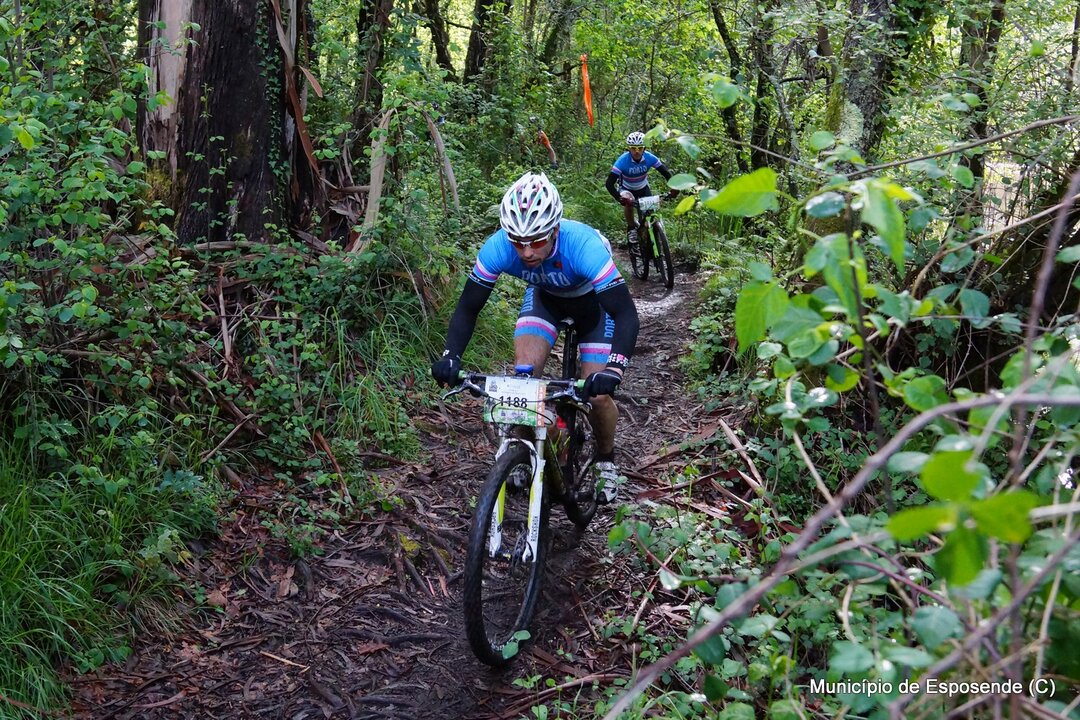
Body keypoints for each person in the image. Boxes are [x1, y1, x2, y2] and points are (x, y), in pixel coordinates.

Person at [431, 172, 639, 504]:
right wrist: (451, 355)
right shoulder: (498, 247)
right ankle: (529, 445)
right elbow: (468, 307)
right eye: (518, 241)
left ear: (555, 229)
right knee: (523, 382)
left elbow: (626, 313)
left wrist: (614, 369)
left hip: (594, 309)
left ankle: (605, 459)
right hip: (546, 301)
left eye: (537, 240)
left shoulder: (583, 246)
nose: (527, 252)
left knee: (598, 396)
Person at [605, 131, 679, 244]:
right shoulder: (622, 161)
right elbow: (609, 183)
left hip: (643, 188)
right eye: (633, 148)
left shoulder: (650, 158)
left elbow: (665, 173)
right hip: (627, 189)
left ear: (644, 148)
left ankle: (650, 235)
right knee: (628, 200)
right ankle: (631, 228)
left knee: (650, 214)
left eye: (640, 148)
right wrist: (619, 198)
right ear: (628, 148)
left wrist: (674, 188)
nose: (637, 151)